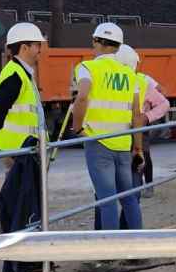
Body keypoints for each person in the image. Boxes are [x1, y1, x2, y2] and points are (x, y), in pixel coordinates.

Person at [70, 23, 146, 242]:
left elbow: (82, 97)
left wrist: (77, 128)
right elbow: (137, 115)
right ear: (118, 45)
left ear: (96, 41)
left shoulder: (88, 68)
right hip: (123, 144)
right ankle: (138, 247)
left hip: (98, 142)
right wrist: (138, 147)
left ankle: (110, 251)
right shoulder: (130, 75)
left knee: (107, 200)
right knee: (129, 198)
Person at [0, 22, 47, 272]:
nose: (40, 50)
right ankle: (18, 262)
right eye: (37, 46)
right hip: (18, 153)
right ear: (24, 47)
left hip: (26, 151)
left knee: (27, 205)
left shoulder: (24, 73)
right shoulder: (14, 74)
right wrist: (19, 142)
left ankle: (27, 259)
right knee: (19, 205)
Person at [114, 45, 169, 199]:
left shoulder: (144, 80)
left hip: (137, 127)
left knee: (141, 157)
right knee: (132, 161)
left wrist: (146, 116)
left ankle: (146, 186)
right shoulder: (117, 81)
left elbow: (163, 99)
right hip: (123, 128)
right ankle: (131, 193)